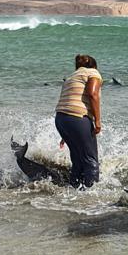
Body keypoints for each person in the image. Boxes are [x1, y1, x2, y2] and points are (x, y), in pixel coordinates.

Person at [54, 54, 102, 188]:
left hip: (61, 119)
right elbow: (92, 94)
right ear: (94, 66)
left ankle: (74, 191)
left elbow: (67, 102)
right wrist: (98, 121)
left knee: (77, 160)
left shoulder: (71, 77)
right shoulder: (93, 73)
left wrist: (66, 134)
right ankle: (92, 196)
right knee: (90, 161)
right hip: (77, 119)